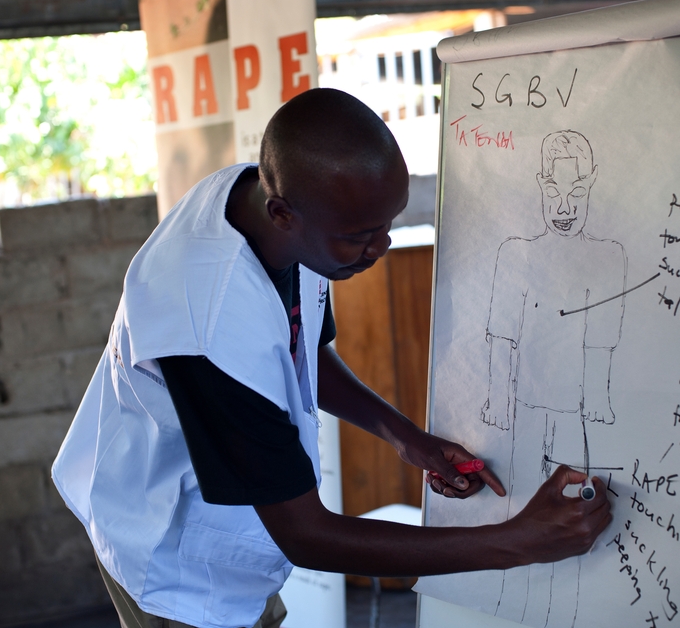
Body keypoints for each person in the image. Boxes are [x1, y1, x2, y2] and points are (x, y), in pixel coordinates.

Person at [52, 91, 612, 628]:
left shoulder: (270, 207)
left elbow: (300, 352)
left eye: (387, 224)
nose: (382, 247)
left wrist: (404, 436)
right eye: (360, 236)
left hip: (233, 542)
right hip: (178, 562)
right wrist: (518, 541)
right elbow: (307, 536)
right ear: (283, 214)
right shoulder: (208, 319)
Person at [481, 129, 626, 626]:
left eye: (577, 193)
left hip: (574, 407)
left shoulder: (608, 256)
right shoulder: (516, 252)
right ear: (541, 186)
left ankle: (564, 613)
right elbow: (502, 334)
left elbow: (602, 339)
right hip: (524, 403)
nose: (564, 206)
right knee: (517, 507)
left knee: (572, 513)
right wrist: (498, 397)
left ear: (592, 187)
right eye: (554, 192)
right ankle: (512, 609)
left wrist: (600, 399)